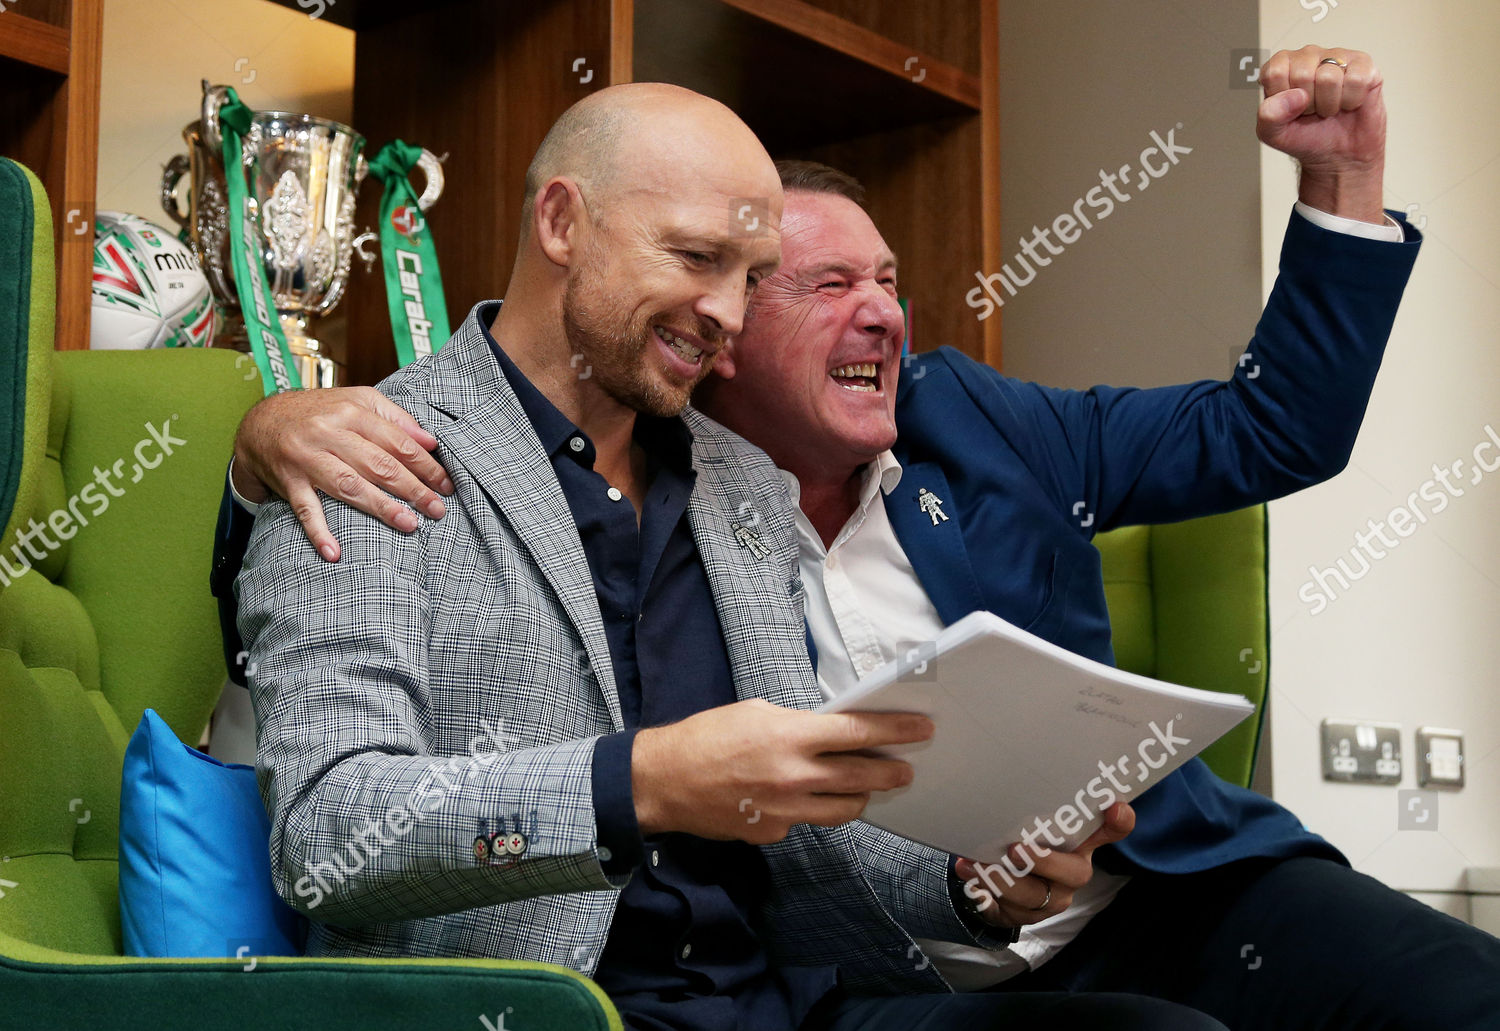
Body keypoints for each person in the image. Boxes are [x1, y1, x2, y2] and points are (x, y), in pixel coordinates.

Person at [231, 81, 1222, 1031]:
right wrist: (646, 780)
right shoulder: (363, 450)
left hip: (783, 1009)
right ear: (563, 224)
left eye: (749, 276)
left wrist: (968, 884)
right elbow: (328, 836)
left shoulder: (743, 481)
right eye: (696, 256)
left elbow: (809, 839)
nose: (731, 315)